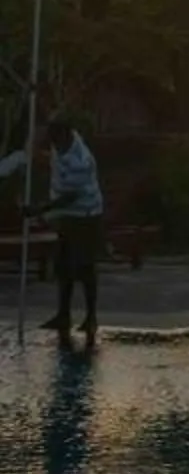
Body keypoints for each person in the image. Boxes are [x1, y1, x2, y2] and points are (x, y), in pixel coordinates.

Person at [39, 113, 102, 345]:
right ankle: (63, 314)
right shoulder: (60, 144)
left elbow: (70, 197)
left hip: (85, 214)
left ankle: (91, 316)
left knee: (84, 266)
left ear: (65, 136)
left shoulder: (80, 160)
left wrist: (40, 209)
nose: (53, 144)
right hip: (67, 216)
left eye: (55, 139)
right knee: (63, 264)